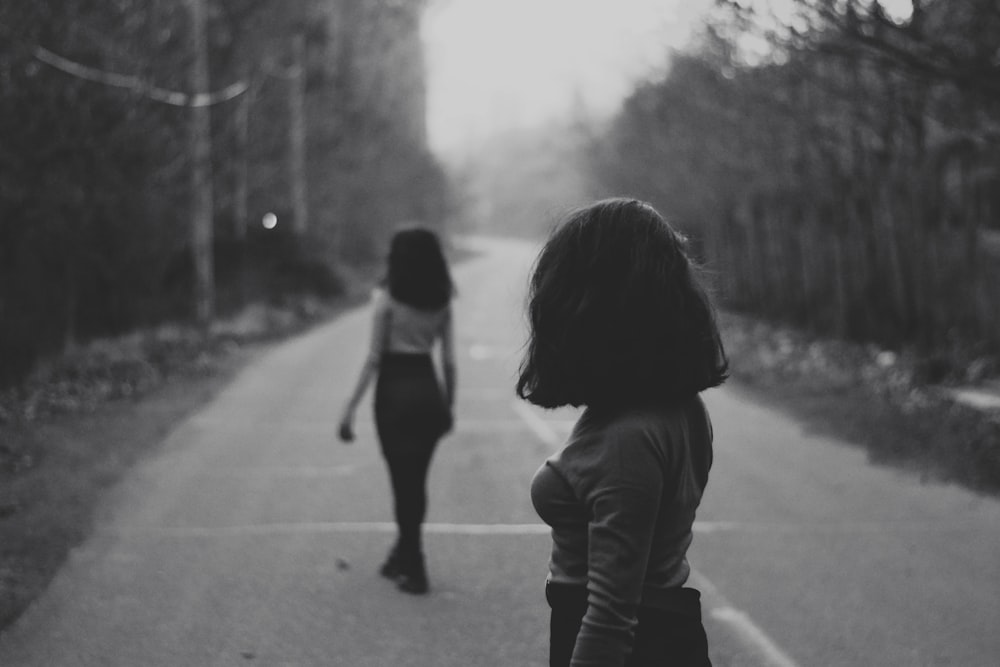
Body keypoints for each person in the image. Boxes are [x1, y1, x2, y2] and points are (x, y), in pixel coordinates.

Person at [519, 198, 728, 666]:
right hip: (664, 637)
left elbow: (612, 615)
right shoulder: (675, 406)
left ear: (586, 307)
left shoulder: (627, 438)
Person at [338, 226, 456, 595]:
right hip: (428, 392)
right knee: (416, 482)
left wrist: (349, 407)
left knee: (401, 483)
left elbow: (373, 358)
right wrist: (448, 407)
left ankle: (414, 563)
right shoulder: (442, 301)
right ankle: (401, 555)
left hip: (393, 392)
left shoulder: (385, 300)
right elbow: (449, 362)